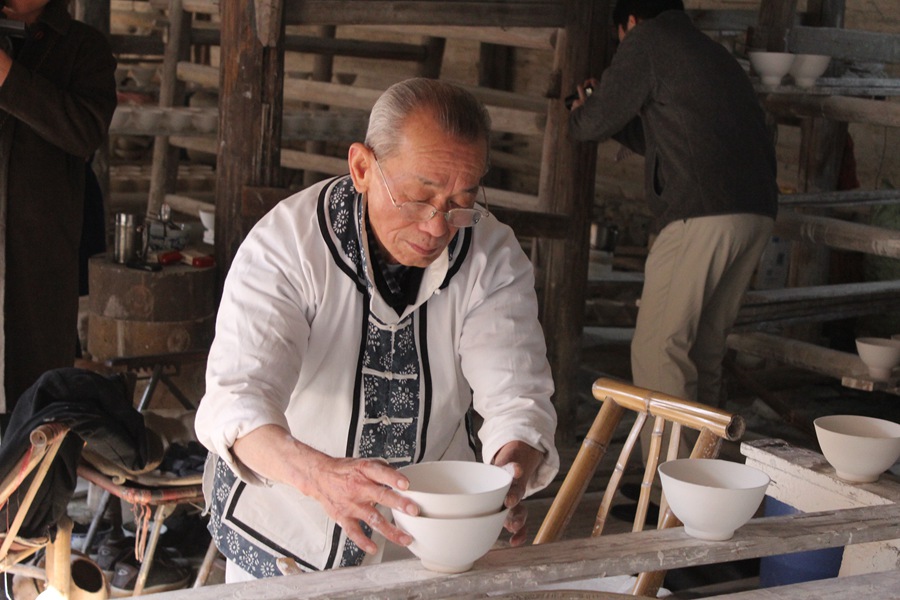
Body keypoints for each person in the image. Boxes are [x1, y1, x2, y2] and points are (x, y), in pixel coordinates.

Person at [194, 77, 559, 581]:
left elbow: (515, 396)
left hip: (429, 537)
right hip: (289, 529)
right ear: (362, 168)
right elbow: (238, 400)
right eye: (417, 197)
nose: (437, 226)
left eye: (461, 201)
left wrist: (509, 473)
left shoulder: (490, 255)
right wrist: (320, 475)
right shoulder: (289, 244)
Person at [568, 0, 778, 411]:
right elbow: (662, 142)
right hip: (755, 212)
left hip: (702, 212)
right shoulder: (708, 51)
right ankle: (706, 452)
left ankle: (669, 455)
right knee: (703, 349)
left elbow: (593, 121)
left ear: (630, 21)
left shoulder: (646, 39)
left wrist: (578, 113)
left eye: (620, 41)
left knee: (659, 349)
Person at [0, 0, 117, 422]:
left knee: (36, 399)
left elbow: (84, 131)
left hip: (38, 254)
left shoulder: (83, 48)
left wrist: (8, 76)